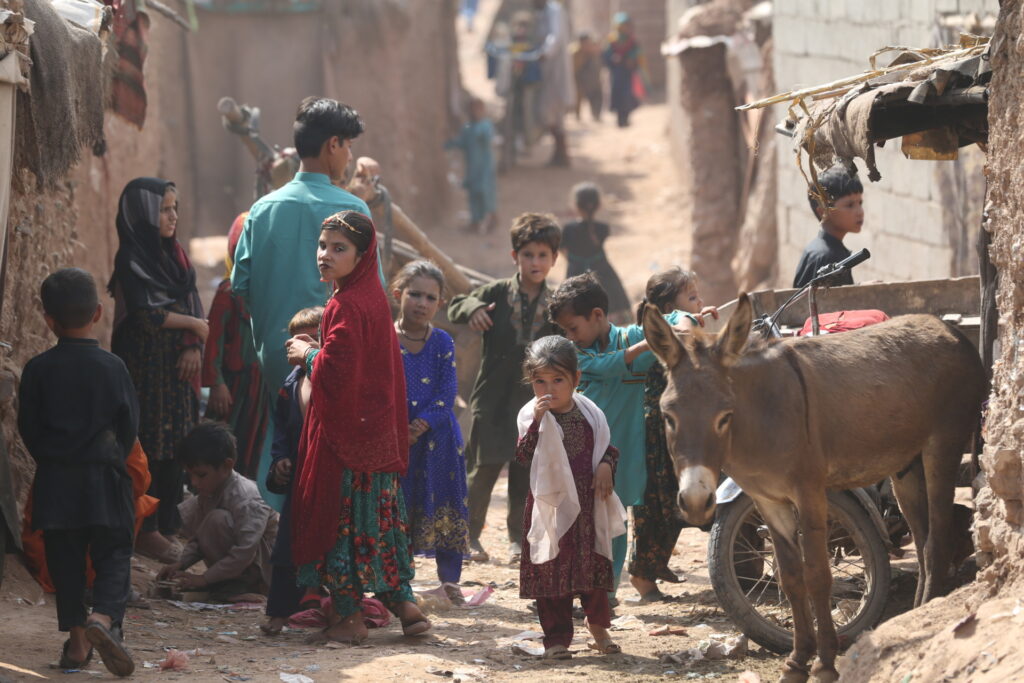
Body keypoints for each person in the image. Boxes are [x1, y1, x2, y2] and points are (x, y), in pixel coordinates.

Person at [284, 211, 429, 644]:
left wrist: (306, 354)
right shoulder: (370, 297)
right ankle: (407, 608)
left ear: (362, 255)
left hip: (347, 444)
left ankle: (349, 620)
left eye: (338, 248)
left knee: (342, 527)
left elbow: (339, 371)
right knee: (381, 527)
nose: (325, 255)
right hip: (376, 439)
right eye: (322, 245)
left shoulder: (346, 304)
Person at [231, 96, 374, 507]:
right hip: (334, 357)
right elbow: (369, 296)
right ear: (333, 144)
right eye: (347, 145)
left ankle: (274, 547)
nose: (349, 156)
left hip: (277, 355)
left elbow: (240, 285)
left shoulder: (261, 210)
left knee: (282, 446)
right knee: (328, 452)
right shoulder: (352, 209)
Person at [19, 268, 139, 677]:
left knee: (65, 562)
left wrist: (53, 460)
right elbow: (128, 427)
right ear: (99, 313)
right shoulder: (113, 368)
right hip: (104, 477)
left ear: (48, 320)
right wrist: (112, 458)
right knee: (114, 553)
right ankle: (103, 619)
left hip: (56, 482)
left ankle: (76, 644)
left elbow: (28, 429)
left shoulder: (37, 369)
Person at [547, 272, 687, 602]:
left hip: (623, 457)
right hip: (580, 453)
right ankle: (570, 591)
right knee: (576, 525)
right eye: (565, 331)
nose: (569, 336)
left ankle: (604, 595)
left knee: (615, 523)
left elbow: (680, 317)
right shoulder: (574, 353)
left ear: (597, 315)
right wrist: (651, 341)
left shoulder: (631, 336)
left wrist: (686, 325)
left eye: (573, 328)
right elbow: (610, 365)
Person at [448, 213, 562, 565]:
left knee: (524, 473)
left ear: (554, 259)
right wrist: (475, 309)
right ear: (515, 257)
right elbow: (456, 304)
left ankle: (518, 540)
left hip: (533, 403)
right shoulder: (497, 293)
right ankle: (468, 537)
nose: (536, 262)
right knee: (482, 470)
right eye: (528, 255)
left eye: (543, 255)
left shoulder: (556, 302)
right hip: (492, 400)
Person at [108, 177, 207, 563]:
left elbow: (191, 302)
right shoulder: (131, 260)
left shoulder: (176, 257)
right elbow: (148, 316)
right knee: (148, 441)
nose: (172, 216)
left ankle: (166, 522)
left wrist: (193, 344)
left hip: (177, 369)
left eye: (175, 208)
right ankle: (144, 529)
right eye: (165, 209)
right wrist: (194, 327)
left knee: (177, 442)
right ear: (144, 215)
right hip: (146, 368)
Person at [516, 335, 626, 659]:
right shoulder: (530, 417)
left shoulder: (591, 414)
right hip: (550, 508)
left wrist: (606, 465)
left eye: (558, 379)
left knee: (592, 573)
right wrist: (536, 423)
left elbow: (609, 449)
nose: (549, 388)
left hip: (588, 509)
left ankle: (599, 630)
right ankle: (557, 640)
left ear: (576, 379)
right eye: (539, 381)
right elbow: (524, 456)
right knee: (551, 575)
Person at [628, 267, 717, 602]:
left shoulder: (656, 323)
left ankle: (646, 573)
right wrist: (691, 322)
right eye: (692, 296)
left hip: (658, 421)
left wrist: (695, 318)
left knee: (659, 502)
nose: (699, 302)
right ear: (668, 305)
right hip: (665, 426)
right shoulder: (675, 320)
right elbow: (681, 326)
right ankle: (642, 576)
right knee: (661, 502)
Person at [391, 261, 470, 603]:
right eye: (415, 295)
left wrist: (420, 425)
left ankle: (450, 581)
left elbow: (446, 392)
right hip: (396, 442)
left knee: (445, 502)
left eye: (430, 297)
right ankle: (398, 579)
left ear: (440, 304)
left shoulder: (442, 342)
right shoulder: (384, 340)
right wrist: (399, 431)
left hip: (439, 440)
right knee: (399, 505)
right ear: (398, 295)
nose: (422, 303)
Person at [157, 422, 278, 600]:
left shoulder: (247, 498)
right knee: (207, 516)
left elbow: (244, 552)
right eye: (190, 475)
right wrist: (181, 563)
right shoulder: (209, 492)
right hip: (237, 566)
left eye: (201, 475)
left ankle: (242, 587)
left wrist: (204, 579)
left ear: (227, 465)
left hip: (264, 572)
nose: (195, 483)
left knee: (217, 519)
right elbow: (199, 538)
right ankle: (225, 583)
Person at [261, 306, 323, 635]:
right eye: (300, 338)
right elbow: (282, 431)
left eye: (316, 337)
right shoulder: (290, 384)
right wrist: (280, 460)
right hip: (300, 479)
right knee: (287, 545)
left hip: (329, 477)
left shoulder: (334, 383)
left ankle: (327, 605)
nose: (306, 344)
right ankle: (280, 612)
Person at [202, 212, 269, 480]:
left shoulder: (269, 292)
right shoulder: (228, 293)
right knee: (222, 447)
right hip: (232, 387)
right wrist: (216, 383)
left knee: (254, 446)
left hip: (260, 387)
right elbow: (214, 340)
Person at [560, 182, 629, 319]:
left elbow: (562, 249)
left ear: (575, 205)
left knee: (574, 305)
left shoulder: (569, 229)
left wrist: (573, 261)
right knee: (613, 300)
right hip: (601, 269)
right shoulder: (603, 228)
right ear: (598, 205)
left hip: (576, 271)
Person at [792, 163, 864, 288]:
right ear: (824, 211)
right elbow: (829, 305)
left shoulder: (824, 249)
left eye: (860, 203)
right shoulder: (826, 257)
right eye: (850, 205)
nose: (860, 212)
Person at [445, 97, 497, 234]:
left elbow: (487, 138)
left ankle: (492, 217)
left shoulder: (485, 126)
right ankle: (475, 221)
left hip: (485, 168)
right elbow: (461, 142)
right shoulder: (468, 128)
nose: (475, 112)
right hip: (472, 169)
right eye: (472, 109)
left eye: (478, 109)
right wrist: (448, 143)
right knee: (473, 195)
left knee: (486, 194)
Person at [532, 0, 574, 166]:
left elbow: (555, 38)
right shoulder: (541, 13)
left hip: (555, 68)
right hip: (547, 70)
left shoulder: (554, 11)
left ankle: (561, 155)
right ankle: (560, 154)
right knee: (552, 115)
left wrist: (544, 53)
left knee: (552, 112)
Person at [604, 12, 644, 128]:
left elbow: (638, 55)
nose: (625, 28)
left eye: (627, 25)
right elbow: (606, 55)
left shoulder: (632, 41)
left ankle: (626, 118)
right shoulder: (612, 41)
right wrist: (613, 59)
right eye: (623, 26)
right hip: (617, 74)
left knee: (628, 96)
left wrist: (632, 61)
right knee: (617, 95)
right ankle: (620, 119)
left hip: (628, 73)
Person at [571, 31, 603, 122]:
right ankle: (577, 116)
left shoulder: (592, 50)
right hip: (578, 78)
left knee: (596, 95)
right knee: (578, 97)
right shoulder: (575, 53)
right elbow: (573, 68)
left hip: (593, 79)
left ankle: (596, 115)